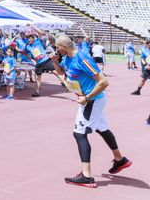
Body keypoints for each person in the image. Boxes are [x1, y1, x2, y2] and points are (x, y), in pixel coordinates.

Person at [50, 34, 132, 188]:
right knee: (102, 128)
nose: (56, 50)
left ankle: (86, 176)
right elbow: (62, 73)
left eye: (57, 48)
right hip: (89, 100)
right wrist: (55, 61)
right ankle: (120, 159)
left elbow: (104, 81)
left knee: (79, 133)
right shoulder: (67, 57)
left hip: (92, 101)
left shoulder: (82, 59)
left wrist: (87, 97)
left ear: (63, 47)